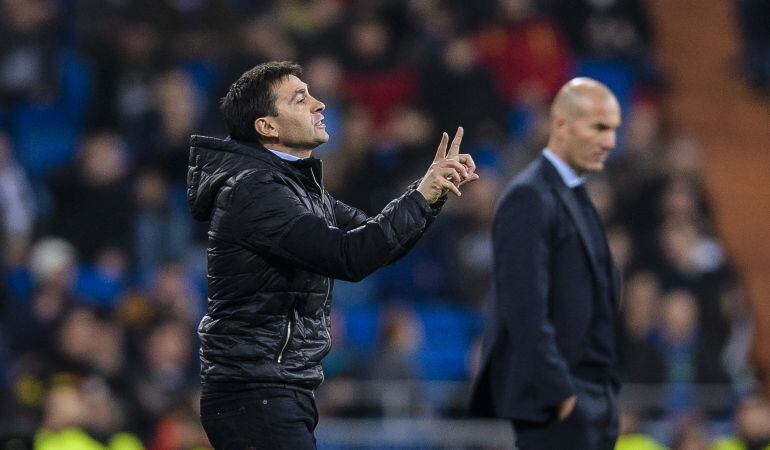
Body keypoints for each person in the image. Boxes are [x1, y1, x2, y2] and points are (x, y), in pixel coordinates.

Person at [186, 61, 477, 449]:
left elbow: (375, 238)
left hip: (275, 390)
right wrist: (421, 196)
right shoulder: (256, 192)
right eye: (301, 98)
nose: (320, 104)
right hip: (255, 391)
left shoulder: (295, 188)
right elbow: (349, 256)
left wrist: (430, 192)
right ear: (267, 126)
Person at [469, 77, 622, 450]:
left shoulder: (576, 194)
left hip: (593, 396)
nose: (610, 142)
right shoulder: (529, 196)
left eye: (614, 129)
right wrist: (561, 394)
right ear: (560, 125)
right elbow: (524, 307)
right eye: (598, 127)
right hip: (560, 401)